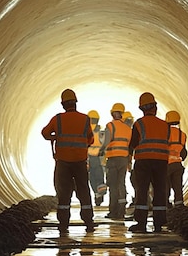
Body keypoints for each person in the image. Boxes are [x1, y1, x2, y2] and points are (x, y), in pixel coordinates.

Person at [41, 89, 96, 234]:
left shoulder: (57, 119)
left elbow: (45, 133)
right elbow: (91, 139)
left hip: (63, 162)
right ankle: (89, 221)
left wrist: (55, 137)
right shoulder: (85, 119)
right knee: (83, 191)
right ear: (75, 103)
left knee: (64, 193)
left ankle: (64, 223)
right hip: (80, 162)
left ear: (63, 104)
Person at [128, 92, 170, 233]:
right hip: (161, 162)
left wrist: (129, 160)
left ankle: (141, 224)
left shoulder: (139, 124)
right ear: (155, 107)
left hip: (143, 161)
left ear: (142, 108)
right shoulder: (165, 125)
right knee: (160, 191)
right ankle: (158, 224)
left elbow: (132, 144)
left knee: (142, 191)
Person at [100, 102, 132, 219]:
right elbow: (130, 145)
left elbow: (107, 141)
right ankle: (121, 211)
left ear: (112, 113)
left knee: (113, 185)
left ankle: (113, 211)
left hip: (113, 158)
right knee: (121, 184)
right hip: (123, 158)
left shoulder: (110, 125)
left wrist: (101, 150)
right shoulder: (128, 128)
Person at [166, 110, 188, 207]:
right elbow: (184, 153)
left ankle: (166, 205)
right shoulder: (182, 135)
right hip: (178, 165)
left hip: (167, 165)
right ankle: (179, 206)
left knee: (165, 187)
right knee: (178, 187)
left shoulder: (165, 133)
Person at [87, 110, 107, 206]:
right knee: (100, 177)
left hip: (89, 158)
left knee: (92, 178)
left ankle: (97, 194)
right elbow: (105, 145)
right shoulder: (101, 132)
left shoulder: (86, 131)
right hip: (99, 157)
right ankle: (100, 194)